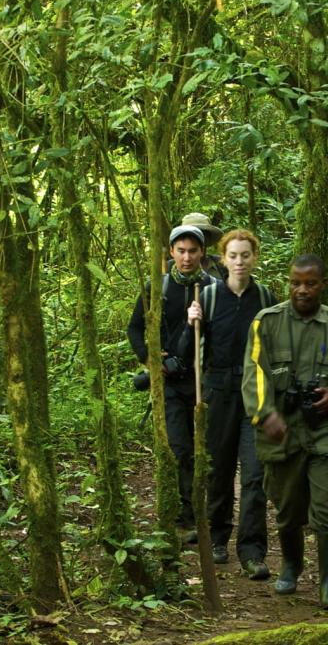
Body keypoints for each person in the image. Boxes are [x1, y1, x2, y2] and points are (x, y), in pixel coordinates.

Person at [242, 254, 328, 609]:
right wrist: (265, 414)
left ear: (322, 285)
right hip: (283, 431)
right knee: (287, 508)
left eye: (310, 283)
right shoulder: (266, 322)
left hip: (326, 431)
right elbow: (254, 372)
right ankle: (291, 565)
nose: (302, 290)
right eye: (295, 283)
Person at [177, 229, 277, 580]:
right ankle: (217, 538)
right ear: (222, 258)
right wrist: (192, 323)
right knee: (218, 469)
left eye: (245, 255)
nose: (239, 261)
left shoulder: (265, 298)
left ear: (254, 257)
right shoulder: (208, 296)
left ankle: (252, 551)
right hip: (218, 391)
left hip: (254, 392)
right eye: (232, 255)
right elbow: (186, 348)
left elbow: (277, 348)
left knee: (253, 474)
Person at [127, 225, 217, 540]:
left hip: (204, 381)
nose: (187, 257)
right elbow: (135, 329)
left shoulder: (213, 288)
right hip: (170, 382)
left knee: (206, 449)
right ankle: (185, 515)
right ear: (170, 253)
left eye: (193, 251)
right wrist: (151, 359)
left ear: (203, 253)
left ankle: (209, 513)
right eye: (181, 251)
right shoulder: (157, 287)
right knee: (179, 448)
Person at [178, 212, 228, 281]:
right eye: (191, 235)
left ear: (207, 238)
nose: (197, 239)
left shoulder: (222, 265)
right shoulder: (171, 268)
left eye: (201, 234)